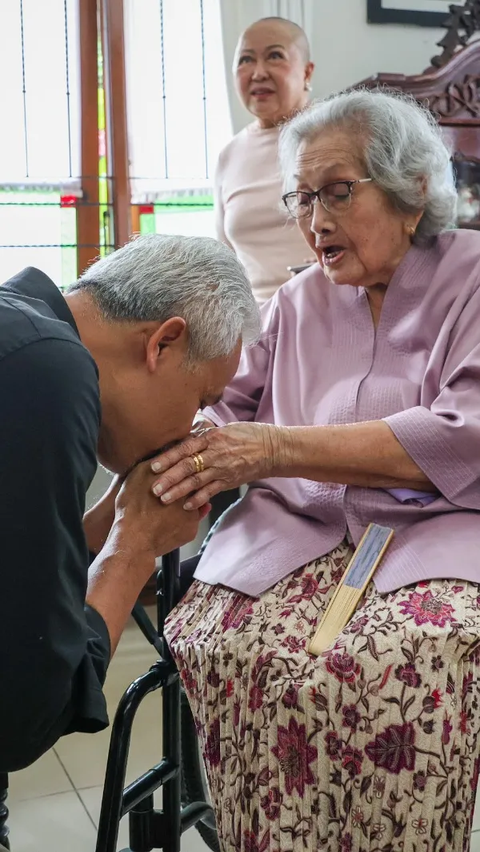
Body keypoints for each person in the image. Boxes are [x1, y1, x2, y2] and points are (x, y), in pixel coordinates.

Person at [151, 92, 480, 851]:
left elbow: (464, 433)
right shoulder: (296, 300)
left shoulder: (471, 277)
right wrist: (200, 442)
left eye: (337, 192)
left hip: (431, 537)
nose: (314, 220)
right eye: (301, 198)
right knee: (225, 644)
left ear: (411, 191)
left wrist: (275, 448)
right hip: (291, 534)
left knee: (397, 665)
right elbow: (226, 406)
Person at [0, 233, 259, 773]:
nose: (193, 426)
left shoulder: (19, 325)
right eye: (202, 400)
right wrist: (133, 548)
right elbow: (24, 716)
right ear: (162, 343)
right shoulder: (52, 373)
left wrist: (98, 527)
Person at [215, 16, 315, 305]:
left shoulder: (334, 134)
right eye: (246, 60)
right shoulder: (229, 155)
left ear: (307, 72)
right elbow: (224, 260)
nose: (258, 73)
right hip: (253, 326)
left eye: (274, 56)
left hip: (328, 309)